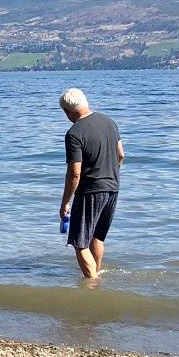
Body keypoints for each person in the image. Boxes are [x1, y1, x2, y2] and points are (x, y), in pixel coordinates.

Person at [58, 87, 124, 279]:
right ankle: (97, 275)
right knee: (97, 237)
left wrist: (65, 203)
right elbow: (121, 155)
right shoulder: (109, 122)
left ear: (68, 111)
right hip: (113, 187)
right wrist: (109, 174)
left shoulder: (74, 133)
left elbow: (75, 173)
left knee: (80, 243)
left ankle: (93, 284)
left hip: (90, 191)